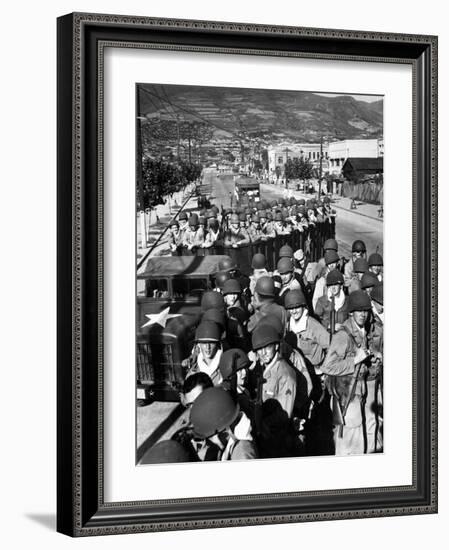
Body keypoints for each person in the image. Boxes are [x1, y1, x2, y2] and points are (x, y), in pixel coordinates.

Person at [321, 290, 383, 456]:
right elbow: (328, 367)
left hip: (359, 389)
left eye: (365, 311)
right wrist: (355, 360)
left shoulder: (363, 330)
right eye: (358, 311)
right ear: (351, 313)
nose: (362, 314)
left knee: (360, 434)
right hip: (347, 394)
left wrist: (372, 356)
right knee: (350, 442)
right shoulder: (343, 336)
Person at [190, 387, 258, 460]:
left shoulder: (242, 455)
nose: (206, 444)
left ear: (224, 432)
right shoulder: (235, 443)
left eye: (208, 438)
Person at [284, 289, 330, 372]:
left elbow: (329, 345)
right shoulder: (288, 326)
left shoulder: (312, 325)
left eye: (297, 307)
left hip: (315, 370)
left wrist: (324, 368)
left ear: (303, 307)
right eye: (291, 308)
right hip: (297, 370)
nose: (294, 311)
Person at [185, 321, 224, 385]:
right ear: (199, 344)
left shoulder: (225, 368)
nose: (207, 347)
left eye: (211, 343)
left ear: (217, 344)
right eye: (204, 343)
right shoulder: (193, 373)